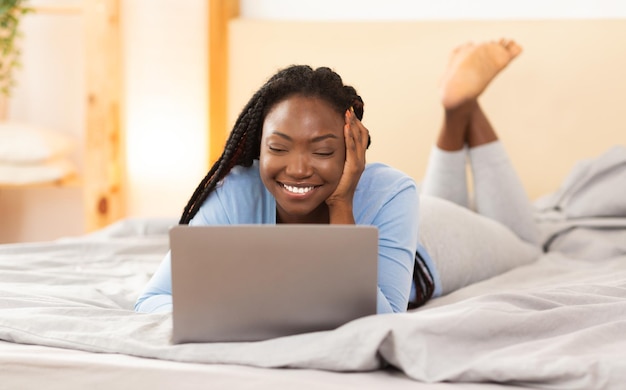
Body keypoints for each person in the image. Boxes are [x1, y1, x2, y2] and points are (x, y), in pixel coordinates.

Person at [135, 39, 541, 315]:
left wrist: (342, 203)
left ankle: (460, 109)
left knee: (528, 244)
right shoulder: (233, 194)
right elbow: (153, 299)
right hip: (410, 214)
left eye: (323, 150)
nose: (297, 168)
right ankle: (459, 106)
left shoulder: (392, 191)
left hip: (434, 245)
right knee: (449, 197)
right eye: (279, 148)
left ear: (353, 146)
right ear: (256, 147)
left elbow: (378, 315)